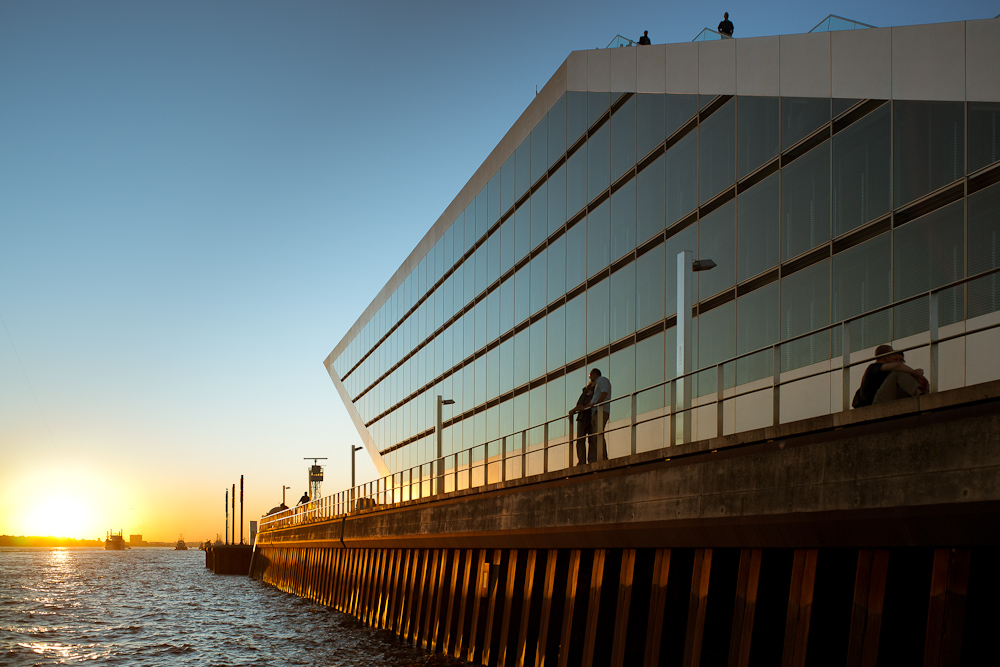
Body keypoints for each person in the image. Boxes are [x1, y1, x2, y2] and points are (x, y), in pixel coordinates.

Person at [853, 345, 929, 407]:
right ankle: (920, 395)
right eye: (892, 354)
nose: (893, 357)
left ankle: (922, 395)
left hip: (882, 399)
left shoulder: (887, 371)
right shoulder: (873, 367)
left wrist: (917, 374)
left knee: (908, 375)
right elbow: (898, 366)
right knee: (899, 372)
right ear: (885, 357)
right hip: (873, 404)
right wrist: (914, 372)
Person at [568, 380, 595, 465]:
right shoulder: (584, 393)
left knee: (592, 439)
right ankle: (581, 461)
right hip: (582, 417)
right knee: (580, 440)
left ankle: (592, 460)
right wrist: (575, 409)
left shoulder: (595, 393)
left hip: (591, 416)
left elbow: (588, 406)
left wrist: (576, 409)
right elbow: (579, 405)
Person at [588, 369, 612, 463]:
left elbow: (604, 392)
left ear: (595, 374)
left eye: (590, 375)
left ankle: (603, 457)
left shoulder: (602, 380)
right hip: (596, 411)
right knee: (596, 435)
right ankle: (600, 457)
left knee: (598, 434)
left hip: (601, 410)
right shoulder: (597, 383)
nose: (590, 378)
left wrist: (598, 403)